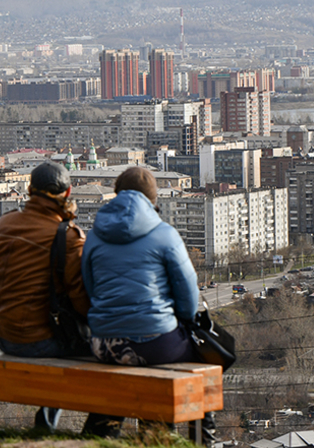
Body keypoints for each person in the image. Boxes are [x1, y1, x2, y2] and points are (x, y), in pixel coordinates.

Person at [79, 166, 202, 438]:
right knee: (200, 362)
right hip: (157, 342)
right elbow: (188, 293)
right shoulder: (165, 234)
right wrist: (180, 319)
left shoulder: (94, 236)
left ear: (116, 193)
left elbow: (89, 288)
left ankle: (101, 437)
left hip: (105, 344)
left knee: (121, 377)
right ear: (153, 198)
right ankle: (159, 437)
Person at [0, 161, 88, 431]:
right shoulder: (67, 237)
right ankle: (91, 429)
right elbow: (82, 300)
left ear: (30, 190)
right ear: (68, 194)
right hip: (33, 340)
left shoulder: (4, 222)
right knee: (99, 353)